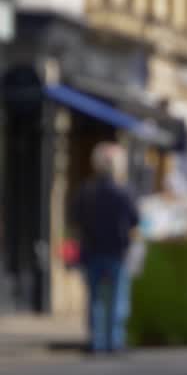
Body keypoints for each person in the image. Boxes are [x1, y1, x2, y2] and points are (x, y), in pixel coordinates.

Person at [71, 142, 139, 355]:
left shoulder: (86, 190)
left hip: (92, 250)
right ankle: (115, 341)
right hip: (117, 251)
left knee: (95, 299)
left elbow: (76, 219)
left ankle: (97, 341)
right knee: (117, 298)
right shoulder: (124, 191)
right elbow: (135, 219)